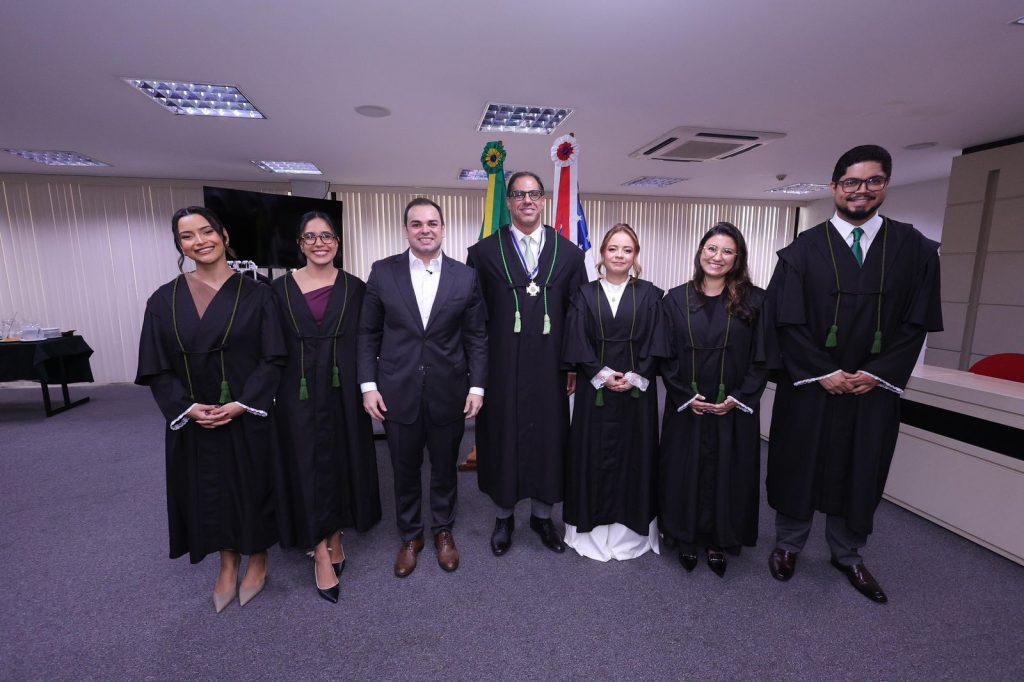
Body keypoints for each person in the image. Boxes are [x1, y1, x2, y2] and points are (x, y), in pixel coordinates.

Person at [764, 145, 942, 603]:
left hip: (872, 389)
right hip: (811, 387)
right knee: (799, 461)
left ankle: (848, 554)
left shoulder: (915, 250)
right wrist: (822, 371)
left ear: (886, 184)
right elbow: (785, 322)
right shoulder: (801, 251)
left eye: (873, 181)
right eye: (851, 182)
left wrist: (878, 373)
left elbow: (916, 323)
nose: (862, 190)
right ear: (834, 187)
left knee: (862, 466)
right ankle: (788, 545)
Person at [136, 206, 286, 613]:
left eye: (206, 231)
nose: (199, 241)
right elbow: (155, 366)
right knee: (210, 489)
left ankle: (258, 557)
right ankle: (226, 562)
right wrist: (186, 408)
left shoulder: (259, 294)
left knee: (252, 485)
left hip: (245, 408)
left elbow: (274, 356)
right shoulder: (163, 300)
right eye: (187, 236)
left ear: (224, 235)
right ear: (179, 245)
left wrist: (242, 403)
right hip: (195, 415)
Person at [357, 198, 487, 578]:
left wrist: (477, 387)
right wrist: (368, 385)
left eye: (432, 223)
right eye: (417, 224)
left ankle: (443, 530)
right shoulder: (383, 272)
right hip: (396, 390)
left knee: (445, 467)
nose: (425, 230)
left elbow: (476, 336)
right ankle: (411, 536)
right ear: (406, 230)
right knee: (404, 468)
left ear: (443, 229)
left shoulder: (465, 277)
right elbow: (367, 332)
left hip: (450, 390)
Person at [466, 171, 587, 556]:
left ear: (543, 200)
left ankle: (541, 516)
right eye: (519, 195)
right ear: (509, 202)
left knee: (548, 438)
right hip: (502, 367)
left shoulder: (570, 254)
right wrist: (477, 375)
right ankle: (503, 517)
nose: (527, 201)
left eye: (533, 194)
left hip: (551, 368)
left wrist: (572, 366)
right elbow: (475, 320)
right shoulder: (483, 253)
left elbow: (578, 315)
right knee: (503, 437)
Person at [272, 211, 381, 603]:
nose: (319, 243)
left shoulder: (356, 288)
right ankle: (319, 550)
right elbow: (268, 343)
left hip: (343, 389)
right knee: (305, 464)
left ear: (337, 242)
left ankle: (336, 534)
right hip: (295, 391)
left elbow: (369, 340)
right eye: (310, 237)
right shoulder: (278, 290)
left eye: (327, 236)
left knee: (339, 461)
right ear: (300, 244)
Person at [659, 223, 768, 577]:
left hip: (731, 406)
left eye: (727, 251)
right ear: (700, 252)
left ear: (738, 258)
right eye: (712, 248)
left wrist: (739, 397)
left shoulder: (755, 301)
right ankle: (684, 536)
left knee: (727, 472)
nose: (717, 257)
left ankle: (719, 540)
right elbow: (665, 356)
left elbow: (762, 358)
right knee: (684, 469)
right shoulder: (675, 300)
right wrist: (685, 395)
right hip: (687, 405)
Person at [562, 224, 663, 561]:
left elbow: (657, 342)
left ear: (636, 256)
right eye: (613, 249)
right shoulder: (583, 294)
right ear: (602, 254)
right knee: (591, 456)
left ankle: (629, 533)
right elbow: (576, 339)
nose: (619, 255)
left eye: (627, 250)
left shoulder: (650, 295)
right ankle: (590, 531)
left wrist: (635, 376)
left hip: (637, 392)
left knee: (635, 457)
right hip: (595, 391)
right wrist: (602, 374)